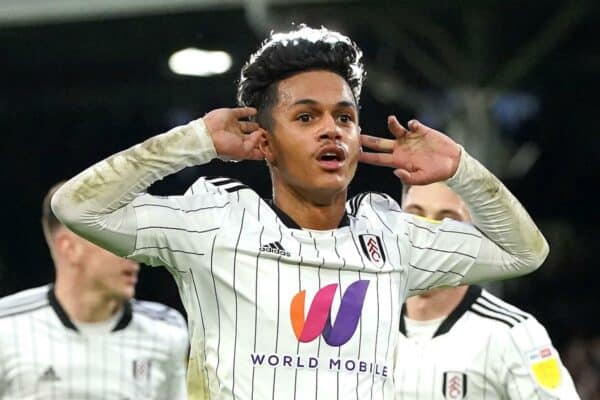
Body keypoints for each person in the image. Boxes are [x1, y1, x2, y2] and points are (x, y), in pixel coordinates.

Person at [51, 25, 549, 399]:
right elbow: (77, 207)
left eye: (345, 117)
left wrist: (460, 167)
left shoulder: (394, 238)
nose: (332, 130)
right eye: (306, 117)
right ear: (264, 141)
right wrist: (192, 140)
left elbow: (523, 252)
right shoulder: (212, 224)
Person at [0, 183, 189, 400]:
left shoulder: (165, 330)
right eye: (118, 238)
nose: (134, 254)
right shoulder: (6, 326)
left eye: (134, 239)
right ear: (70, 248)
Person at [395, 182, 579, 399]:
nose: (428, 233)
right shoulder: (364, 320)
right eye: (415, 215)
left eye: (449, 220)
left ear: (477, 233)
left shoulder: (514, 333)